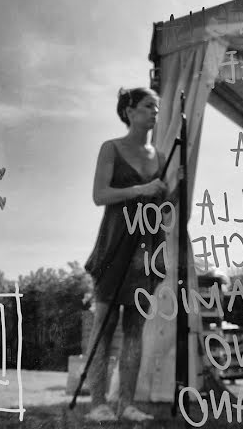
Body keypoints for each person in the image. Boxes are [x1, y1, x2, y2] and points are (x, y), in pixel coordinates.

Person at [84, 87, 168, 422]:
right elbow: (99, 195)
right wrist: (140, 189)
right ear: (130, 111)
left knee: (135, 328)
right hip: (115, 243)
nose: (155, 112)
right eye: (149, 106)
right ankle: (97, 404)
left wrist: (166, 193)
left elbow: (164, 205)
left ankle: (126, 404)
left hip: (146, 248)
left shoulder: (160, 157)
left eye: (157, 108)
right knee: (104, 325)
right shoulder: (111, 148)